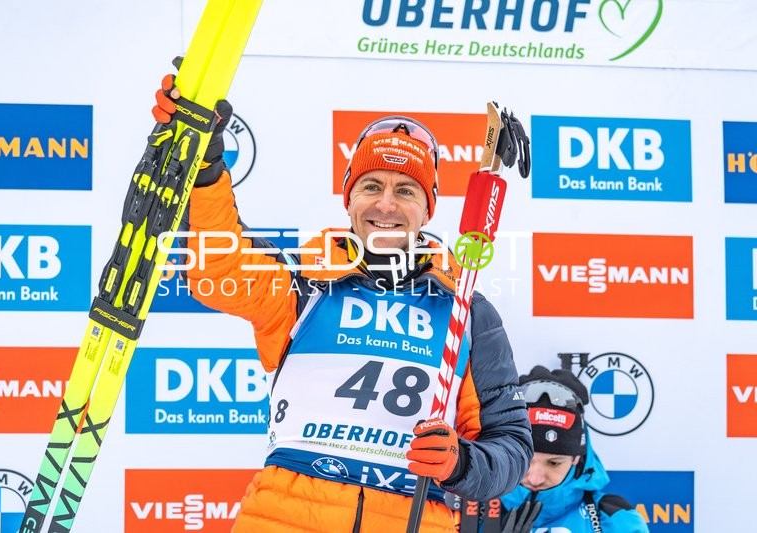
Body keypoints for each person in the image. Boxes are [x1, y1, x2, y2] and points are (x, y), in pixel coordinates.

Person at [152, 73, 533, 532]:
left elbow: (510, 445)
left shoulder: (466, 311)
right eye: (371, 187)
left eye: (405, 190)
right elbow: (219, 271)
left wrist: (460, 462)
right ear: (348, 198)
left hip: (413, 517)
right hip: (285, 516)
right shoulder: (303, 282)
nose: (386, 206)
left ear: (428, 208)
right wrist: (207, 168)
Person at [497, 365, 649, 532]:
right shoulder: (470, 510)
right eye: (524, 461)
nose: (535, 478)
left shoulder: (614, 520)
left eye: (554, 463)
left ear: (576, 458)